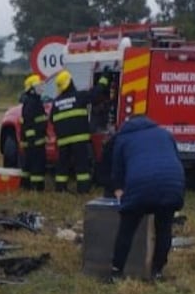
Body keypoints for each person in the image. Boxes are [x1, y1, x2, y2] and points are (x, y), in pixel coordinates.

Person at [110, 115, 185, 281]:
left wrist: (119, 191)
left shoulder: (123, 138)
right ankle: (157, 271)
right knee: (164, 228)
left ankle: (116, 272)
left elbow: (117, 170)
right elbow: (175, 158)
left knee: (127, 228)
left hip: (141, 184)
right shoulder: (164, 133)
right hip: (172, 183)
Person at [50, 69, 110, 193]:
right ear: (70, 82)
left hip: (63, 141)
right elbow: (96, 93)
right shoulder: (79, 96)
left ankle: (60, 188)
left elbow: (52, 119)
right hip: (79, 139)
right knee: (81, 165)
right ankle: (83, 189)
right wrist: (104, 77)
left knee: (62, 165)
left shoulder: (56, 103)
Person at [19, 74, 47, 191]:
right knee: (36, 165)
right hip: (34, 141)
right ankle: (36, 187)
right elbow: (28, 123)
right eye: (38, 86)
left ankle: (26, 185)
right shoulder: (32, 102)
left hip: (35, 140)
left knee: (29, 164)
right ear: (31, 89)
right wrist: (32, 140)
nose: (40, 88)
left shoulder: (34, 100)